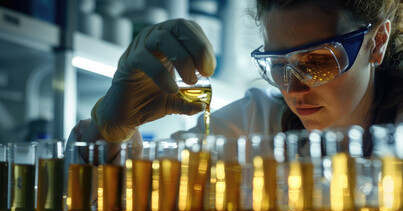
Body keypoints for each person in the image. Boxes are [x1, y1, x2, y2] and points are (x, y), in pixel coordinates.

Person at [68, 0, 402, 161]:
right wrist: (110, 130)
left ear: (378, 42)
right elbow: (129, 191)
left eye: (317, 62)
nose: (293, 89)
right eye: (277, 65)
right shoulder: (255, 126)